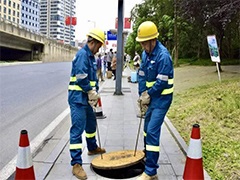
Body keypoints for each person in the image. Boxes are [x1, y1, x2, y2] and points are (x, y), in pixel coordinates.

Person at [136, 21, 174, 180]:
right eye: (142, 43)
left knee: (152, 130)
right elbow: (142, 74)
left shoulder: (163, 56)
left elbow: (162, 82)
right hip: (150, 98)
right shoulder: (145, 54)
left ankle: (151, 171)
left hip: (162, 99)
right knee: (146, 128)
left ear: (153, 40)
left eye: (145, 43)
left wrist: (149, 95)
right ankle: (147, 155)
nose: (143, 46)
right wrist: (142, 95)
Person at [68, 28, 106, 180]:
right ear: (93, 42)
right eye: (99, 46)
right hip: (78, 98)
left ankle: (92, 147)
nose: (99, 49)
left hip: (87, 98)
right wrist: (90, 92)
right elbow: (82, 77)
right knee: (77, 129)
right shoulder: (83, 55)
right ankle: (76, 164)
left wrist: (94, 93)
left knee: (91, 124)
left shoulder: (90, 57)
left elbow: (92, 78)